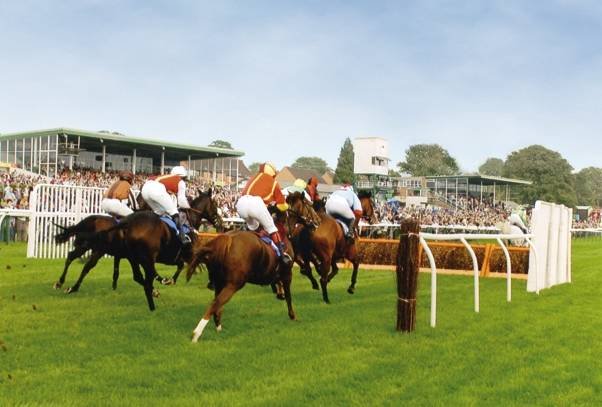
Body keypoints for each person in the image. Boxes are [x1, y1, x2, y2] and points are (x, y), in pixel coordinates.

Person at [236, 162, 292, 266]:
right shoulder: (273, 182)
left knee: (254, 227)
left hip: (241, 203)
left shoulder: (253, 177)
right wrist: (282, 207)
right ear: (273, 173)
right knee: (272, 229)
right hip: (256, 204)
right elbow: (282, 206)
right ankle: (282, 255)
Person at [141, 166, 191, 246]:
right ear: (182, 176)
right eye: (184, 178)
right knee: (174, 212)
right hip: (156, 189)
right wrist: (189, 207)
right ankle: (182, 237)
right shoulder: (180, 181)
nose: (184, 180)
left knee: (159, 212)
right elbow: (181, 202)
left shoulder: (165, 177)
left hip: (144, 189)